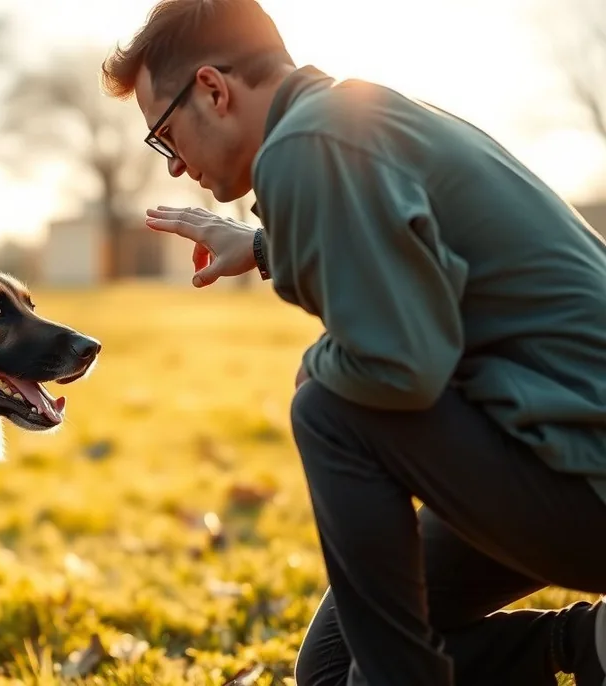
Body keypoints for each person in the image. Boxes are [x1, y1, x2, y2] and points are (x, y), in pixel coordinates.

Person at [100, 1, 606, 685]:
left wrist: (317, 369)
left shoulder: (308, 146)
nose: (173, 167)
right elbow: (403, 242)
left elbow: (403, 367)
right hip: (552, 449)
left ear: (214, 90)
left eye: (163, 135)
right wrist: (256, 244)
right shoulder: (346, 119)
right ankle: (590, 645)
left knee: (328, 409)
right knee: (332, 670)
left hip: (583, 471)